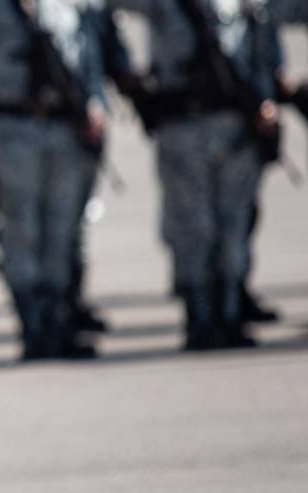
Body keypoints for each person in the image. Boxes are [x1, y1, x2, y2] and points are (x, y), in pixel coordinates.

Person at [0, 0, 108, 361]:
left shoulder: (70, 6)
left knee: (61, 230)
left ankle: (60, 322)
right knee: (23, 229)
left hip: (65, 128)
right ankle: (33, 328)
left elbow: (89, 53)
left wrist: (95, 103)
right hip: (17, 128)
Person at [110, 0, 282, 351]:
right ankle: (199, 318)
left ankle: (231, 314)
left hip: (236, 129)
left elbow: (266, 49)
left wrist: (268, 101)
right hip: (183, 127)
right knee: (194, 228)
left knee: (233, 227)